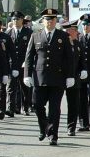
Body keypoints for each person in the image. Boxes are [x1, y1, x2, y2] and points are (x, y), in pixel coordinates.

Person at [23, 8, 74, 145]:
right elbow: (29, 57)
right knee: (37, 105)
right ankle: (44, 127)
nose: (49, 22)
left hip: (57, 78)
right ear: (43, 21)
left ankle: (53, 135)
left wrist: (70, 76)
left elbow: (69, 58)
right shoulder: (36, 36)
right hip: (39, 78)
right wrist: (27, 75)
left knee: (54, 109)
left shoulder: (63, 36)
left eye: (52, 19)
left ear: (55, 21)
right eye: (47, 19)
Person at [6, 11, 32, 117]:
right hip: (12, 64)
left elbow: (30, 49)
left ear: (22, 20)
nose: (15, 21)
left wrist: (28, 62)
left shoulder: (28, 32)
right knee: (10, 87)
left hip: (23, 64)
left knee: (24, 87)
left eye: (17, 19)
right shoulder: (8, 33)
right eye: (13, 19)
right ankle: (10, 108)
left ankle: (25, 107)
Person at [64, 20, 87, 136]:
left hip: (74, 78)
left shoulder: (79, 45)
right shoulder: (60, 44)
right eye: (67, 30)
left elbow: (83, 61)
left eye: (71, 30)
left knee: (73, 104)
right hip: (60, 78)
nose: (69, 32)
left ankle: (71, 127)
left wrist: (83, 70)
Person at [0, 17, 14, 120]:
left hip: (3, 67)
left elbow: (12, 53)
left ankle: (1, 111)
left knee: (1, 90)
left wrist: (14, 67)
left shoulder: (6, 37)